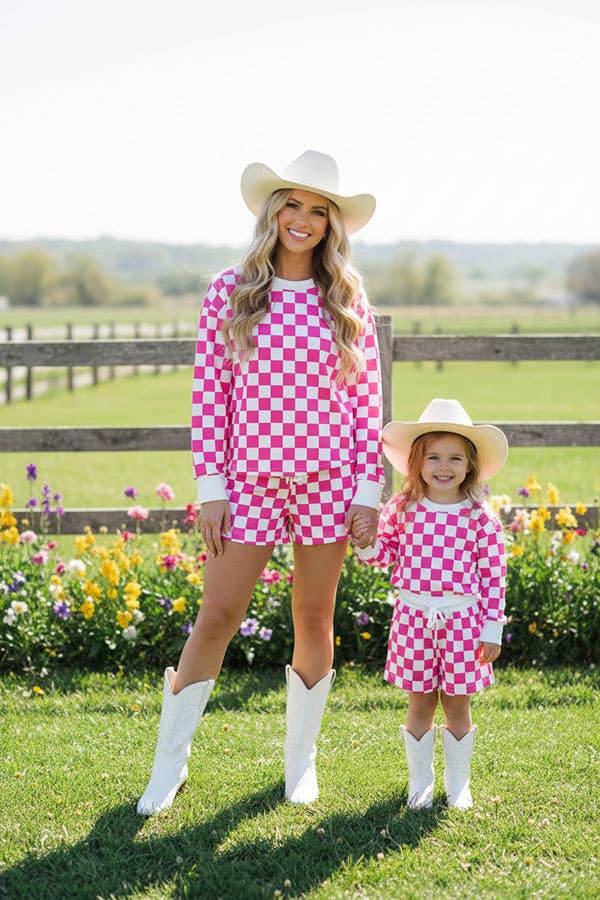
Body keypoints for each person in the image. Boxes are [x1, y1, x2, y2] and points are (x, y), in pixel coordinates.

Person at [137, 150, 385, 815]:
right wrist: (211, 486)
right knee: (217, 616)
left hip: (331, 481)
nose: (302, 220)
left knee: (314, 616)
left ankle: (300, 763)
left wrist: (367, 492)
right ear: (274, 212)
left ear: (331, 224)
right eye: (292, 205)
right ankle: (169, 766)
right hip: (247, 481)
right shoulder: (231, 290)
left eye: (318, 211)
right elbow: (208, 395)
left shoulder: (347, 296)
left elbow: (368, 402)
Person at [351, 398, 508, 811]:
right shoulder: (403, 509)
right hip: (413, 617)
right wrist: (366, 544)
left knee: (457, 703)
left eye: (455, 458)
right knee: (419, 700)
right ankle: (420, 782)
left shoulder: (480, 517)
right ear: (417, 462)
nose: (444, 466)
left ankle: (459, 784)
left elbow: (494, 577)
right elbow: (386, 554)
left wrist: (492, 629)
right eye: (434, 456)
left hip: (463, 621)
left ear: (470, 465)